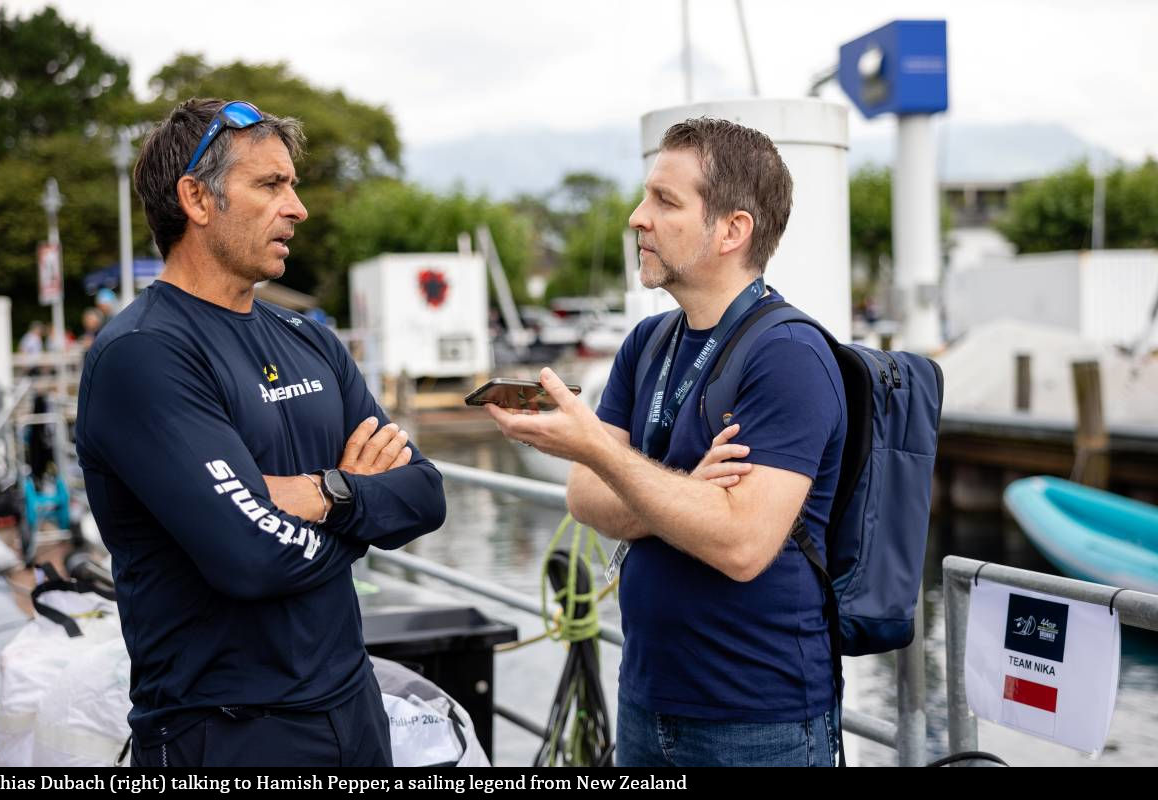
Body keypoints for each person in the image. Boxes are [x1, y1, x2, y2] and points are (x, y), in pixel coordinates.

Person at [75, 98, 446, 767]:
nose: (296, 208)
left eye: (292, 185)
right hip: (227, 729)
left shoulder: (309, 339)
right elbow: (251, 559)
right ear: (196, 198)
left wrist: (327, 494)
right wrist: (360, 506)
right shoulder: (144, 354)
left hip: (353, 706)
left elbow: (425, 494)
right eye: (271, 184)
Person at [487, 118, 846, 767]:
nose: (637, 217)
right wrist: (686, 494)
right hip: (646, 699)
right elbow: (584, 500)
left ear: (733, 230)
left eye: (665, 201)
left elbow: (741, 545)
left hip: (758, 723)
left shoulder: (789, 355)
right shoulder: (647, 343)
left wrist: (604, 453)